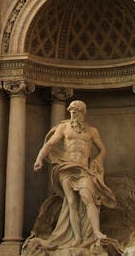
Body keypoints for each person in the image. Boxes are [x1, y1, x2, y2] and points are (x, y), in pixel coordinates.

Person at [24, 100, 116, 252]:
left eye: (77, 111)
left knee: (88, 198)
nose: (74, 114)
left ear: (83, 113)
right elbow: (50, 144)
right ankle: (78, 236)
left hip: (83, 169)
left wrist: (98, 159)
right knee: (71, 202)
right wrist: (39, 159)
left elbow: (102, 149)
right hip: (66, 168)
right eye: (72, 112)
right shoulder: (63, 128)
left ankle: (96, 232)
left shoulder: (92, 131)